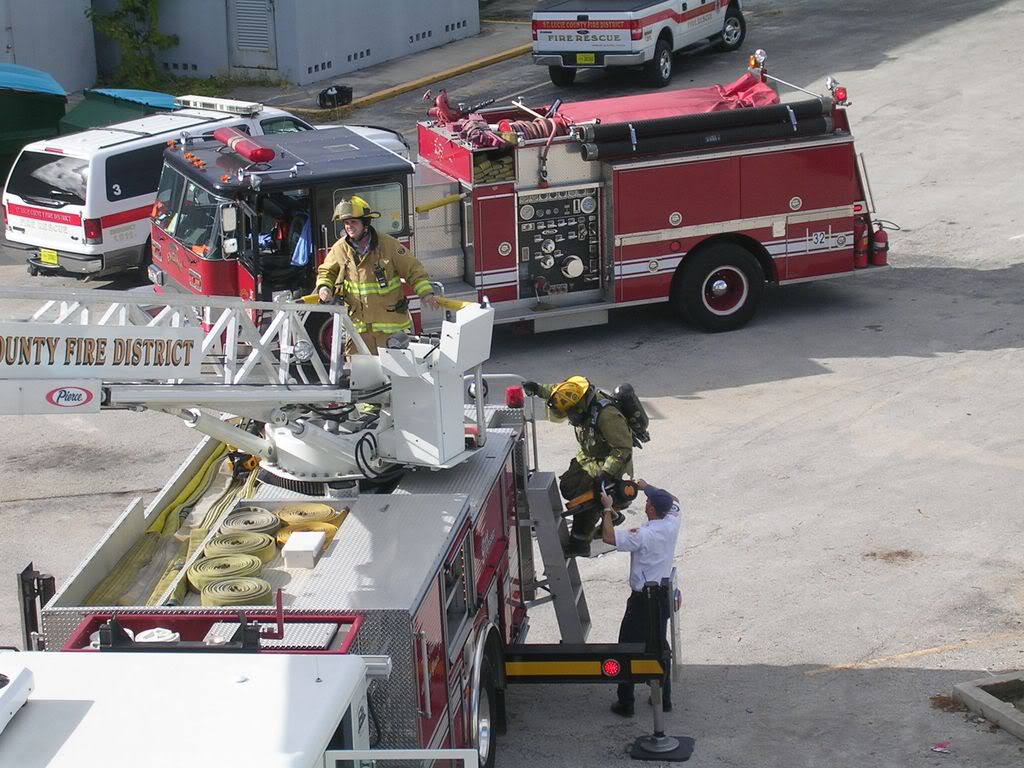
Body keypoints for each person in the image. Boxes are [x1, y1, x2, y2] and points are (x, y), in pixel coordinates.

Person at [522, 376, 634, 557]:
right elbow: (556, 390)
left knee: (586, 503)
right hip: (587, 457)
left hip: (607, 462)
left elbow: (622, 448)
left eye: (570, 414)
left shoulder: (607, 416)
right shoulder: (575, 393)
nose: (569, 419)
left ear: (579, 407)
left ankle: (580, 544)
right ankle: (612, 512)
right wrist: (538, 389)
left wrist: (605, 474)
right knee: (568, 487)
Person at [316, 195, 439, 354]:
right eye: (346, 223)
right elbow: (327, 271)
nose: (349, 226)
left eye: (354, 222)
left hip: (389, 331)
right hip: (357, 330)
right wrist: (324, 287)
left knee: (393, 376)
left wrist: (426, 293)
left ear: (365, 223)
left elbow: (413, 269)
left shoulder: (388, 244)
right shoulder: (340, 249)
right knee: (360, 376)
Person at [600, 479, 680, 717]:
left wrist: (606, 508)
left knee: (627, 647)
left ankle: (626, 702)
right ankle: (664, 698)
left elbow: (608, 537)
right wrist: (647, 487)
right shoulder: (672, 522)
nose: (645, 503)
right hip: (663, 598)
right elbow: (675, 501)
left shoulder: (642, 535)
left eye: (647, 502)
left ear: (652, 509)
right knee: (659, 644)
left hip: (642, 601)